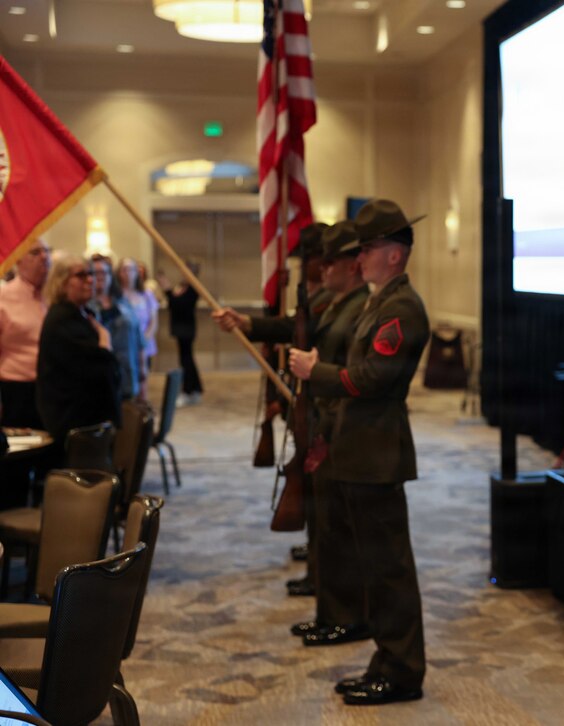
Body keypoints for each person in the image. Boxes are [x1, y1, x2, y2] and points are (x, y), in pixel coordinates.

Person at [288, 198, 428, 706]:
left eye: (368, 248)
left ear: (394, 254)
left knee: (389, 570)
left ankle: (401, 670)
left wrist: (314, 373)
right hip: (358, 451)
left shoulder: (401, 307)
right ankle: (388, 661)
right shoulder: (377, 299)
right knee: (373, 566)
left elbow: (372, 378)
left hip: (377, 455)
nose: (359, 257)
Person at [214, 222, 372, 617]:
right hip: (319, 411)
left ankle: (335, 599)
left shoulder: (349, 303)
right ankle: (324, 587)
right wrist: (249, 324)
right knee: (323, 513)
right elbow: (294, 327)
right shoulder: (332, 300)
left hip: (336, 419)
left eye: (324, 260)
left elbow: (337, 356)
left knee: (335, 520)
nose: (318, 268)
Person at [36, 251, 121, 444]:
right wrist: (105, 341)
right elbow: (98, 368)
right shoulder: (62, 319)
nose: (90, 280)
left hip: (90, 417)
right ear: (62, 282)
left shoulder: (82, 314)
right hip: (75, 422)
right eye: (81, 275)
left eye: (90, 274)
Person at [0, 239, 51, 429]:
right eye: (35, 252)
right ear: (18, 260)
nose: (44, 257)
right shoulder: (4, 298)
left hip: (52, 390)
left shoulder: (55, 296)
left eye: (47, 251)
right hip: (17, 392)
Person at [90, 255, 145, 401]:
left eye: (105, 272)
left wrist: (142, 369)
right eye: (96, 273)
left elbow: (137, 336)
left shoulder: (122, 302)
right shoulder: (85, 306)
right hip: (101, 379)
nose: (101, 277)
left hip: (129, 372)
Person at [161, 260, 203, 406]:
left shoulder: (193, 288)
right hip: (181, 328)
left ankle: (189, 391)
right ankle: (195, 388)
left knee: (187, 360)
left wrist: (167, 290)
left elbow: (180, 305)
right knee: (187, 359)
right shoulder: (183, 286)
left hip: (187, 328)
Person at [118, 257, 159, 381]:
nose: (128, 273)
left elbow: (153, 321)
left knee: (143, 377)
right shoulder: (116, 295)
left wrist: (143, 340)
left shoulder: (146, 295)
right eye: (124, 269)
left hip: (143, 342)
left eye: (131, 269)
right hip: (123, 345)